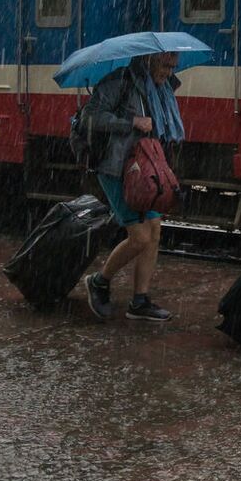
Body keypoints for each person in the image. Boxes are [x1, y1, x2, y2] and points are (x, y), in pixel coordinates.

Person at [81, 51, 185, 322]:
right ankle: (99, 281)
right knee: (139, 237)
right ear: (149, 60)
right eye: (165, 65)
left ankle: (139, 301)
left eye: (173, 66)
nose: (169, 72)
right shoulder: (120, 82)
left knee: (154, 231)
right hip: (116, 169)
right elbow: (89, 117)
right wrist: (131, 122)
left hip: (144, 171)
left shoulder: (160, 90)